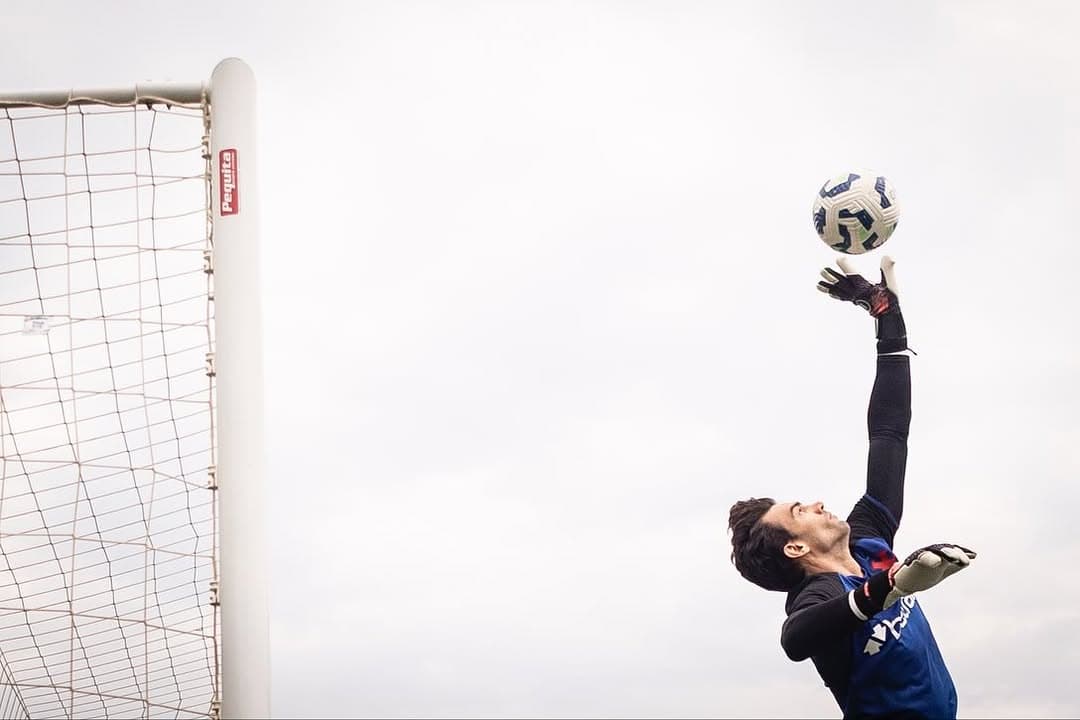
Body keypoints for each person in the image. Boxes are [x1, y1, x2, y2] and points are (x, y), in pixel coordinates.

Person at [727, 256, 976, 719]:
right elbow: (795, 640)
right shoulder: (815, 595)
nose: (817, 503)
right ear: (796, 548)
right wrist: (889, 587)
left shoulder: (868, 540)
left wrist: (888, 322)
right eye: (799, 511)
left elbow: (889, 433)